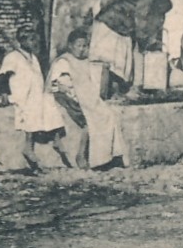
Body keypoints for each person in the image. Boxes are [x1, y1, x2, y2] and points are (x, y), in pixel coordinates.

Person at [47, 28, 131, 170]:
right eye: (78, 46)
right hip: (67, 96)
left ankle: (109, 156)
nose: (81, 49)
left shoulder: (85, 61)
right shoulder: (64, 61)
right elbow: (54, 83)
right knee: (90, 120)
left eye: (84, 46)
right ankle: (81, 155)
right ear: (70, 46)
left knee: (107, 115)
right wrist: (66, 90)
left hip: (86, 97)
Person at [90, 0, 173, 95]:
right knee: (108, 60)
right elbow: (140, 13)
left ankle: (112, 92)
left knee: (119, 61)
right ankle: (107, 92)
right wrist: (142, 38)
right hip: (112, 23)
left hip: (119, 25)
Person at [0, 27, 71, 172]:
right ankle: (28, 147)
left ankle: (57, 139)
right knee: (31, 111)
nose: (34, 43)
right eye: (31, 40)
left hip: (35, 93)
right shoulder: (13, 57)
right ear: (23, 41)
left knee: (50, 103)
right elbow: (2, 77)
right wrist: (4, 94)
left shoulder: (33, 58)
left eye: (35, 40)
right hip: (21, 95)